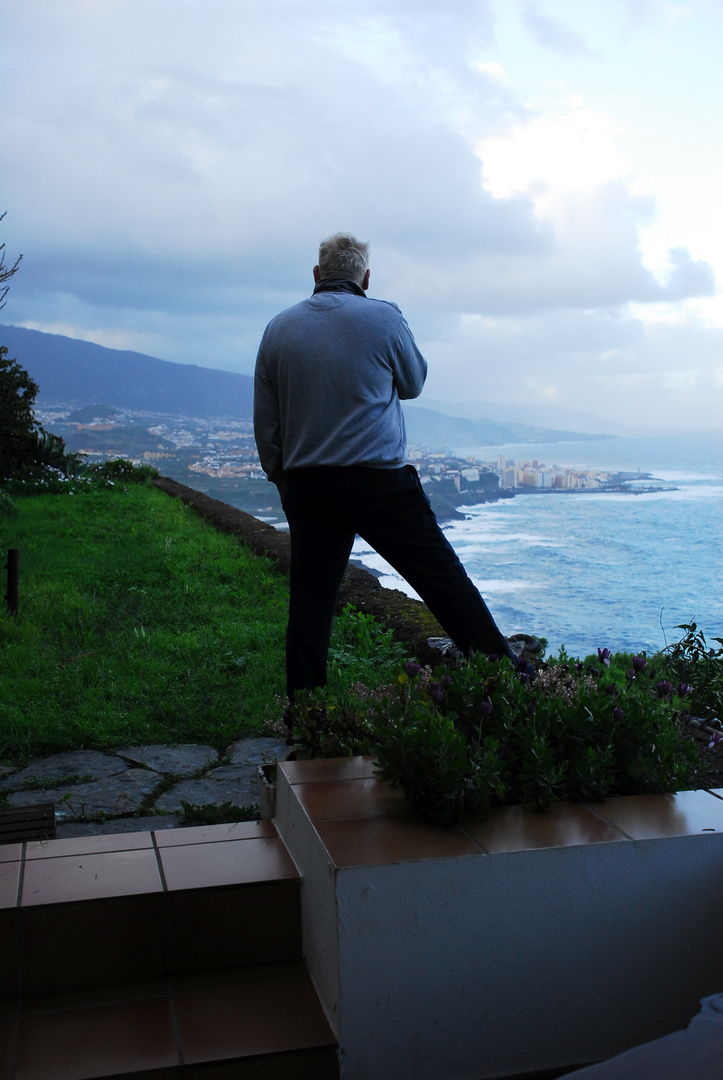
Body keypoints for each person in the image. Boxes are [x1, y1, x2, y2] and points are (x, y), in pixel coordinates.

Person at [254, 232, 527, 702]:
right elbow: (414, 382)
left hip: (308, 483)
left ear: (317, 274)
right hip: (379, 481)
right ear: (365, 276)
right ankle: (503, 678)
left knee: (311, 603)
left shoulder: (278, 328)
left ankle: (306, 711)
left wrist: (282, 478)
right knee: (441, 578)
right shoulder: (384, 317)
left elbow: (267, 420)